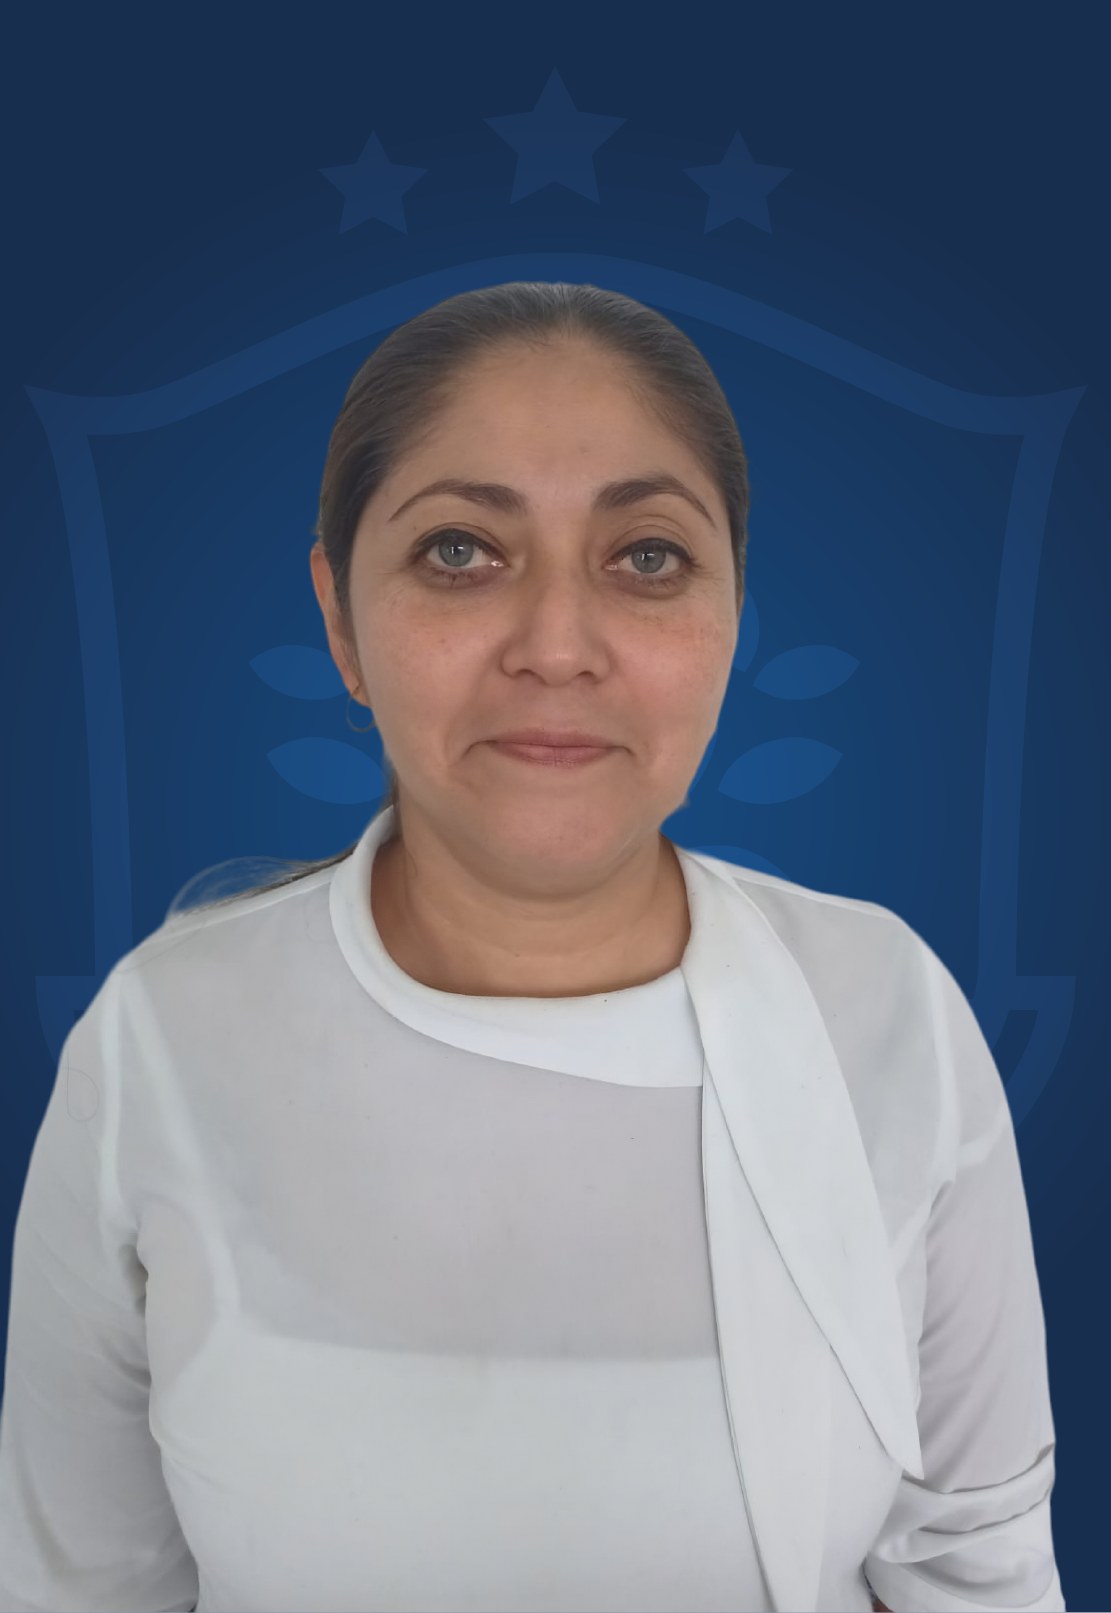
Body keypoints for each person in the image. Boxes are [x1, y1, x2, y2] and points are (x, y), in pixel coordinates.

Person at [0, 283, 1062, 1613]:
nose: (557, 647)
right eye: (460, 551)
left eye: (646, 558)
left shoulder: (885, 1010)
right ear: (339, 619)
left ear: (735, 610)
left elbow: (976, 1560)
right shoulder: (163, 1041)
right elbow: (76, 1582)